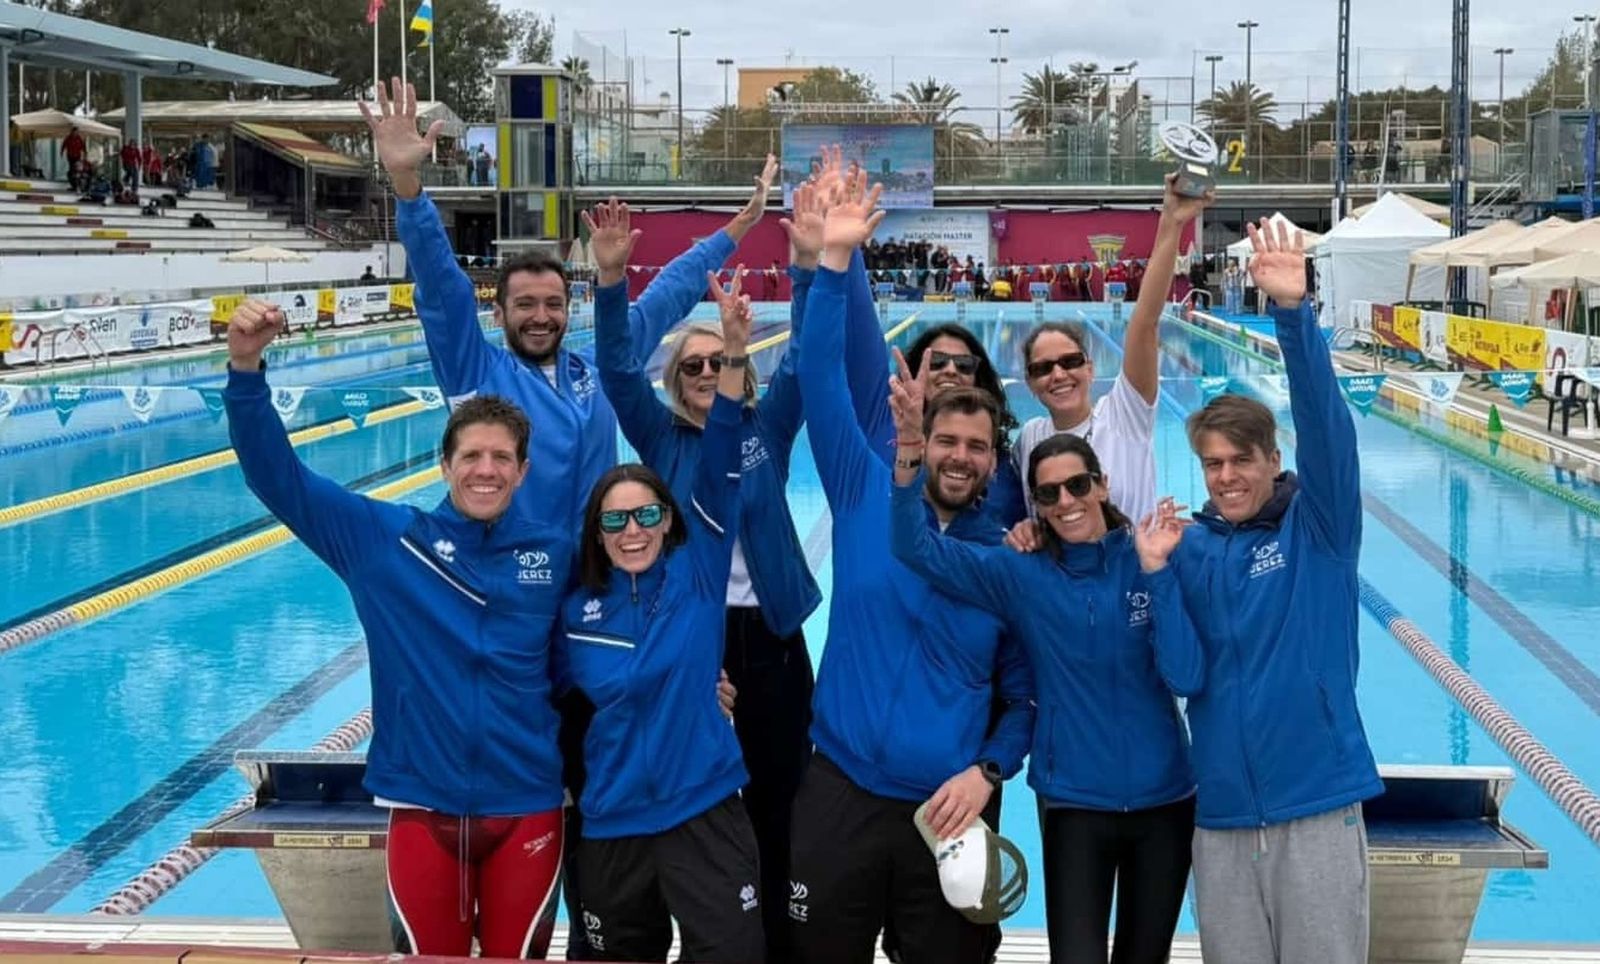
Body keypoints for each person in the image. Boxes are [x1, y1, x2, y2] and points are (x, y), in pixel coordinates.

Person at [362, 77, 776, 959]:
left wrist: (737, 230)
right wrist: (409, 190)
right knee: (560, 777)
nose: (543, 315)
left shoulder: (589, 370)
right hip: (520, 598)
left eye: (554, 303)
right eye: (527, 306)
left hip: (600, 592)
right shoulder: (479, 373)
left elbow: (664, 296)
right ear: (504, 314)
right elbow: (438, 287)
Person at [222, 301, 570, 959]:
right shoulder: (384, 542)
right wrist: (246, 370)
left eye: (502, 458)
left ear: (523, 471)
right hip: (419, 807)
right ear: (444, 464)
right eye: (471, 455)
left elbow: (606, 643)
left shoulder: (555, 555)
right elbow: (279, 480)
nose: (486, 469)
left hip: (526, 806)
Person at [788, 169, 1034, 964]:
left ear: (995, 463)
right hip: (842, 790)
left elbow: (1026, 698)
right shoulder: (863, 485)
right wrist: (832, 263)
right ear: (921, 442)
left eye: (976, 447)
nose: (959, 458)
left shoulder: (1007, 558)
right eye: (946, 441)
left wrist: (989, 773)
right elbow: (820, 375)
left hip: (951, 809)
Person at [888, 367, 1199, 964]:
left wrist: (1157, 572)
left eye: (1078, 485)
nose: (1066, 502)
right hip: (1074, 802)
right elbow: (914, 547)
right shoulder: (1019, 573)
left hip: (1165, 800)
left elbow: (1186, 673)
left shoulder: (1150, 560)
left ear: (1102, 485)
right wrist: (907, 453)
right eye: (1049, 493)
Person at [590, 189, 825, 963]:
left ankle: (780, 944)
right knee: (709, 810)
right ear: (674, 380)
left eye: (715, 361)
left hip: (774, 637)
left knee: (783, 798)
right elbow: (617, 368)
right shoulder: (660, 440)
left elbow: (809, 351)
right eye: (688, 365)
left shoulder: (766, 426)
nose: (702, 372)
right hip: (693, 640)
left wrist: (807, 264)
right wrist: (610, 283)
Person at [1161, 219, 1381, 964]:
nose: (1225, 477)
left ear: (1271, 458)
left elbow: (1329, 432)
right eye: (1211, 464)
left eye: (1239, 461)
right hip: (1221, 815)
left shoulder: (1318, 532)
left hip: (1315, 803)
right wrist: (1155, 574)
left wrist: (1292, 314)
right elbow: (1183, 673)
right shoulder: (1189, 550)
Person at [557, 265, 763, 964]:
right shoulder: (576, 613)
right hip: (611, 823)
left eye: (648, 514)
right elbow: (534, 695)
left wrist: (734, 353)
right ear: (597, 534)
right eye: (617, 521)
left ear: (670, 518)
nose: (634, 530)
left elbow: (725, 453)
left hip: (702, 811)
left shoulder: (698, 568)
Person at [1007, 175, 1210, 538]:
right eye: (1043, 368)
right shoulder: (1029, 439)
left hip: (1132, 579)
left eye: (1069, 362)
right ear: (1030, 382)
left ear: (1090, 366)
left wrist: (1171, 223)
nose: (1058, 374)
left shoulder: (1123, 416)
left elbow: (1144, 324)